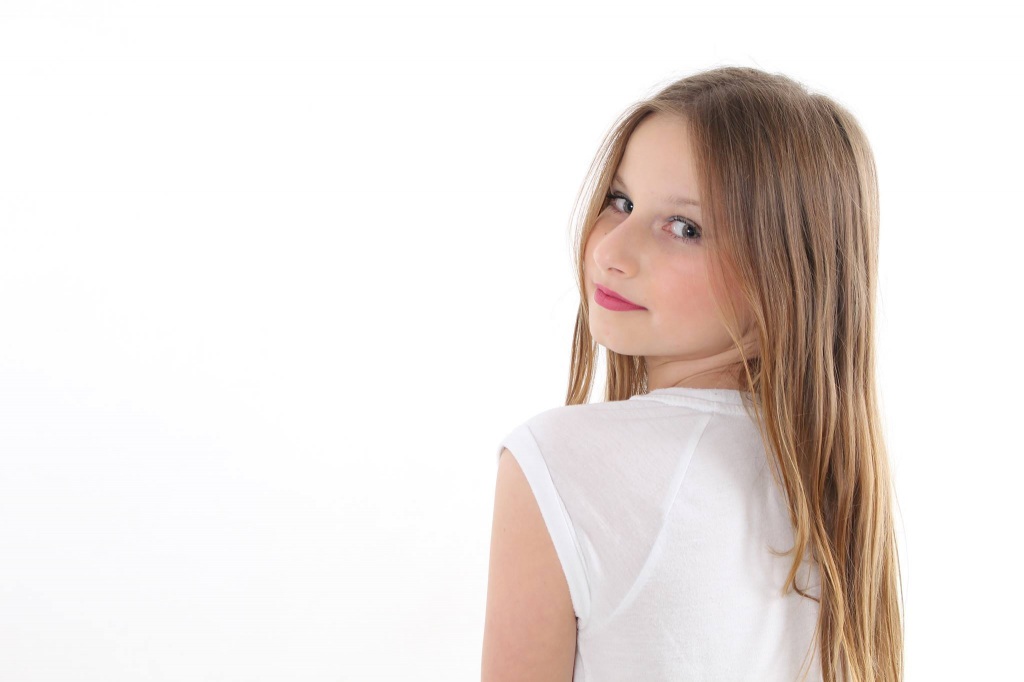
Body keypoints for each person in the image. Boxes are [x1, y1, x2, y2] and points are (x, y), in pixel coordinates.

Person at [481, 66, 903, 681]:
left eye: (685, 229)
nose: (611, 252)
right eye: (621, 202)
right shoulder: (840, 495)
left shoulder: (559, 463)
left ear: (786, 274)